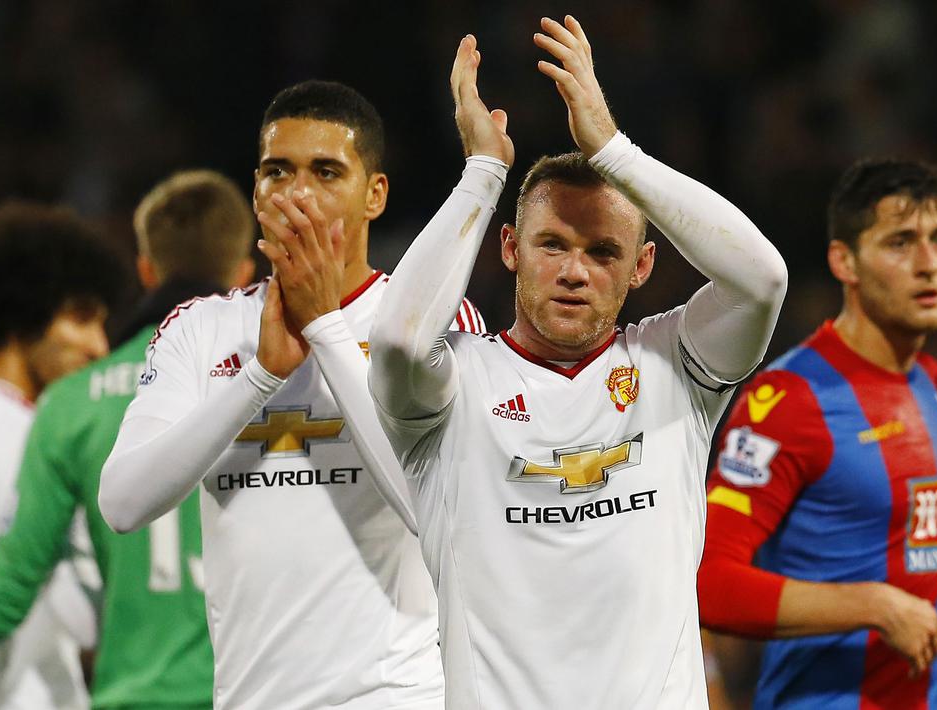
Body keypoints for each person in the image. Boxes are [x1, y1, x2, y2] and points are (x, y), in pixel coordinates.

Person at [323, 17, 786, 708]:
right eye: (552, 245)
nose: (574, 271)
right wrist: (483, 172)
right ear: (508, 248)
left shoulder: (672, 368)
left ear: (641, 267)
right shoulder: (453, 390)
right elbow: (397, 342)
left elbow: (762, 280)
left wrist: (613, 150)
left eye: (602, 252)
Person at [100, 80, 484, 709]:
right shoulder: (198, 329)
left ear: (375, 195)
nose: (298, 193)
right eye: (278, 172)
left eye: (326, 172)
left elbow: (436, 512)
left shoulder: (430, 322)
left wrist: (325, 329)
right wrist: (259, 378)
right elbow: (122, 502)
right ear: (256, 191)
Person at [0, 170, 257, 709]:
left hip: (131, 695)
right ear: (246, 270)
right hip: (262, 692)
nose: (93, 343)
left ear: (145, 269)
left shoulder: (72, 406)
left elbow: (5, 595)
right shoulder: (296, 383)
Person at [697, 158, 937, 708]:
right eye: (900, 242)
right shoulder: (792, 400)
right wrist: (874, 605)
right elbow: (709, 585)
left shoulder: (936, 386)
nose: (927, 263)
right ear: (845, 261)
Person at [0, 202, 125, 708]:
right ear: (25, 314)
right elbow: (91, 619)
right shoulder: (47, 437)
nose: (99, 347)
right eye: (82, 319)